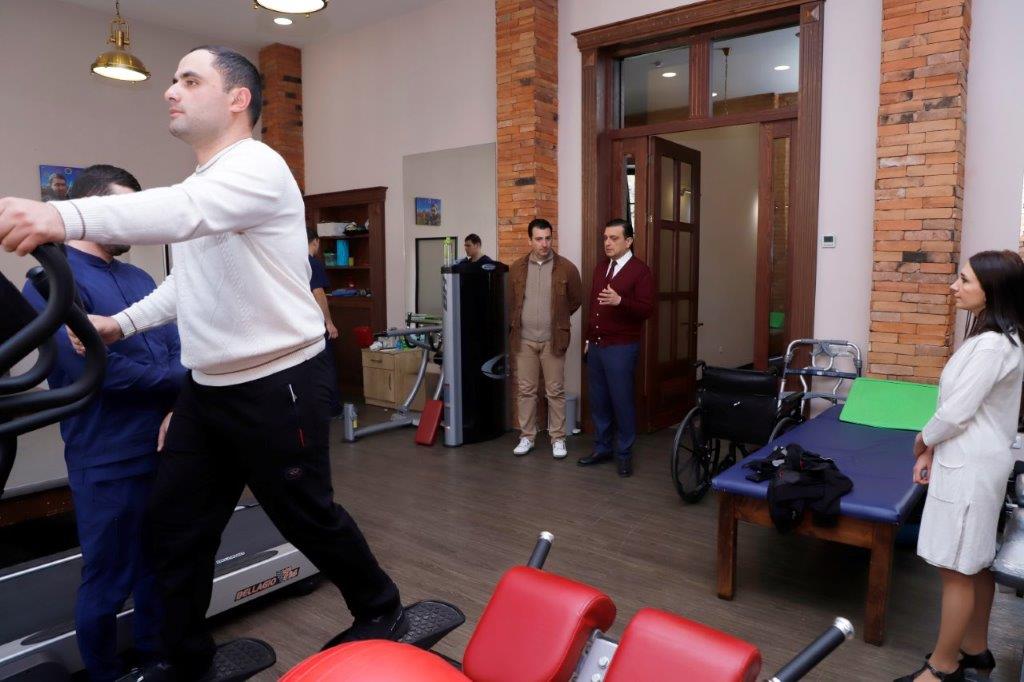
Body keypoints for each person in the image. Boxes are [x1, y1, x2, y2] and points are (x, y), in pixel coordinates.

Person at [0, 46, 406, 679]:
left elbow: (179, 213)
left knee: (305, 514)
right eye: (172, 81)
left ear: (238, 99)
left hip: (277, 381)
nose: (171, 91)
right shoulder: (203, 188)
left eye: (190, 80)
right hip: (206, 389)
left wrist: (62, 214)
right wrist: (119, 324)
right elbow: (186, 284)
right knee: (176, 531)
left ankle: (381, 609)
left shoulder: (257, 167)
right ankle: (183, 657)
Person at [21, 164, 185, 682]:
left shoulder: (140, 279)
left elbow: (179, 346)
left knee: (158, 564)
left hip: (164, 445)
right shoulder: (52, 283)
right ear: (92, 210)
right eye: (122, 211)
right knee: (108, 576)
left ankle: (156, 659)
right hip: (107, 455)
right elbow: (95, 374)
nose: (132, 223)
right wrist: (179, 379)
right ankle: (104, 673)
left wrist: (178, 393)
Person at [897, 250, 1024, 682]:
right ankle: (976, 651)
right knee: (975, 563)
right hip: (972, 461)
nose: (955, 286)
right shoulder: (997, 338)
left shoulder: (992, 346)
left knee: (955, 569)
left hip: (970, 466)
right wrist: (932, 451)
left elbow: (955, 413)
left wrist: (921, 441)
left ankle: (942, 667)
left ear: (993, 291)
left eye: (965, 280)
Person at [577, 218, 654, 478]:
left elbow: (647, 309)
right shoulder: (601, 268)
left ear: (628, 241)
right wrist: (588, 340)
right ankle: (602, 448)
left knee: (621, 402)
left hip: (621, 348)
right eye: (605, 238)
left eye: (614, 238)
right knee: (599, 401)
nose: (607, 243)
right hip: (597, 346)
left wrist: (621, 301)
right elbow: (594, 307)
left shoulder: (640, 271)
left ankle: (624, 454)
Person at [508, 218, 582, 459]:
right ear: (530, 240)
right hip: (524, 340)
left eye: (548, 238)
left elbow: (575, 301)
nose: (544, 244)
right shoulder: (516, 268)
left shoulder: (567, 268)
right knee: (526, 391)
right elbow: (511, 302)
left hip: (553, 340)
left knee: (555, 391)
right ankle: (527, 437)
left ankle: (558, 439)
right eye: (539, 239)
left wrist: (558, 320)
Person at [308, 230, 343, 414]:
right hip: (315, 323)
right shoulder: (313, 263)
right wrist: (328, 322)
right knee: (326, 365)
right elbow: (319, 293)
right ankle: (333, 408)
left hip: (299, 324)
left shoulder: (291, 264)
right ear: (316, 242)